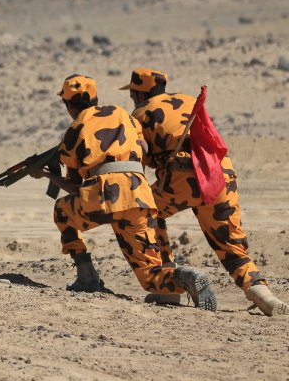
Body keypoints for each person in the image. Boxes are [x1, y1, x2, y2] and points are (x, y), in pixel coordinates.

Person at [31, 74, 217, 310]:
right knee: (150, 275)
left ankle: (86, 277)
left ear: (68, 105)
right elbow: (144, 147)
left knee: (62, 211)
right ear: (95, 97)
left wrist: (48, 175)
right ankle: (186, 276)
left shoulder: (74, 131)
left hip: (103, 199)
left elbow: (75, 187)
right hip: (139, 196)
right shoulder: (122, 115)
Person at [124, 68, 288, 316]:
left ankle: (168, 282)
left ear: (138, 92)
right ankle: (261, 291)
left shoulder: (139, 114)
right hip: (219, 173)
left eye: (133, 92)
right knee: (230, 245)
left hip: (182, 176)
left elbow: (141, 155)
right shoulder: (188, 101)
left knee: (147, 211)